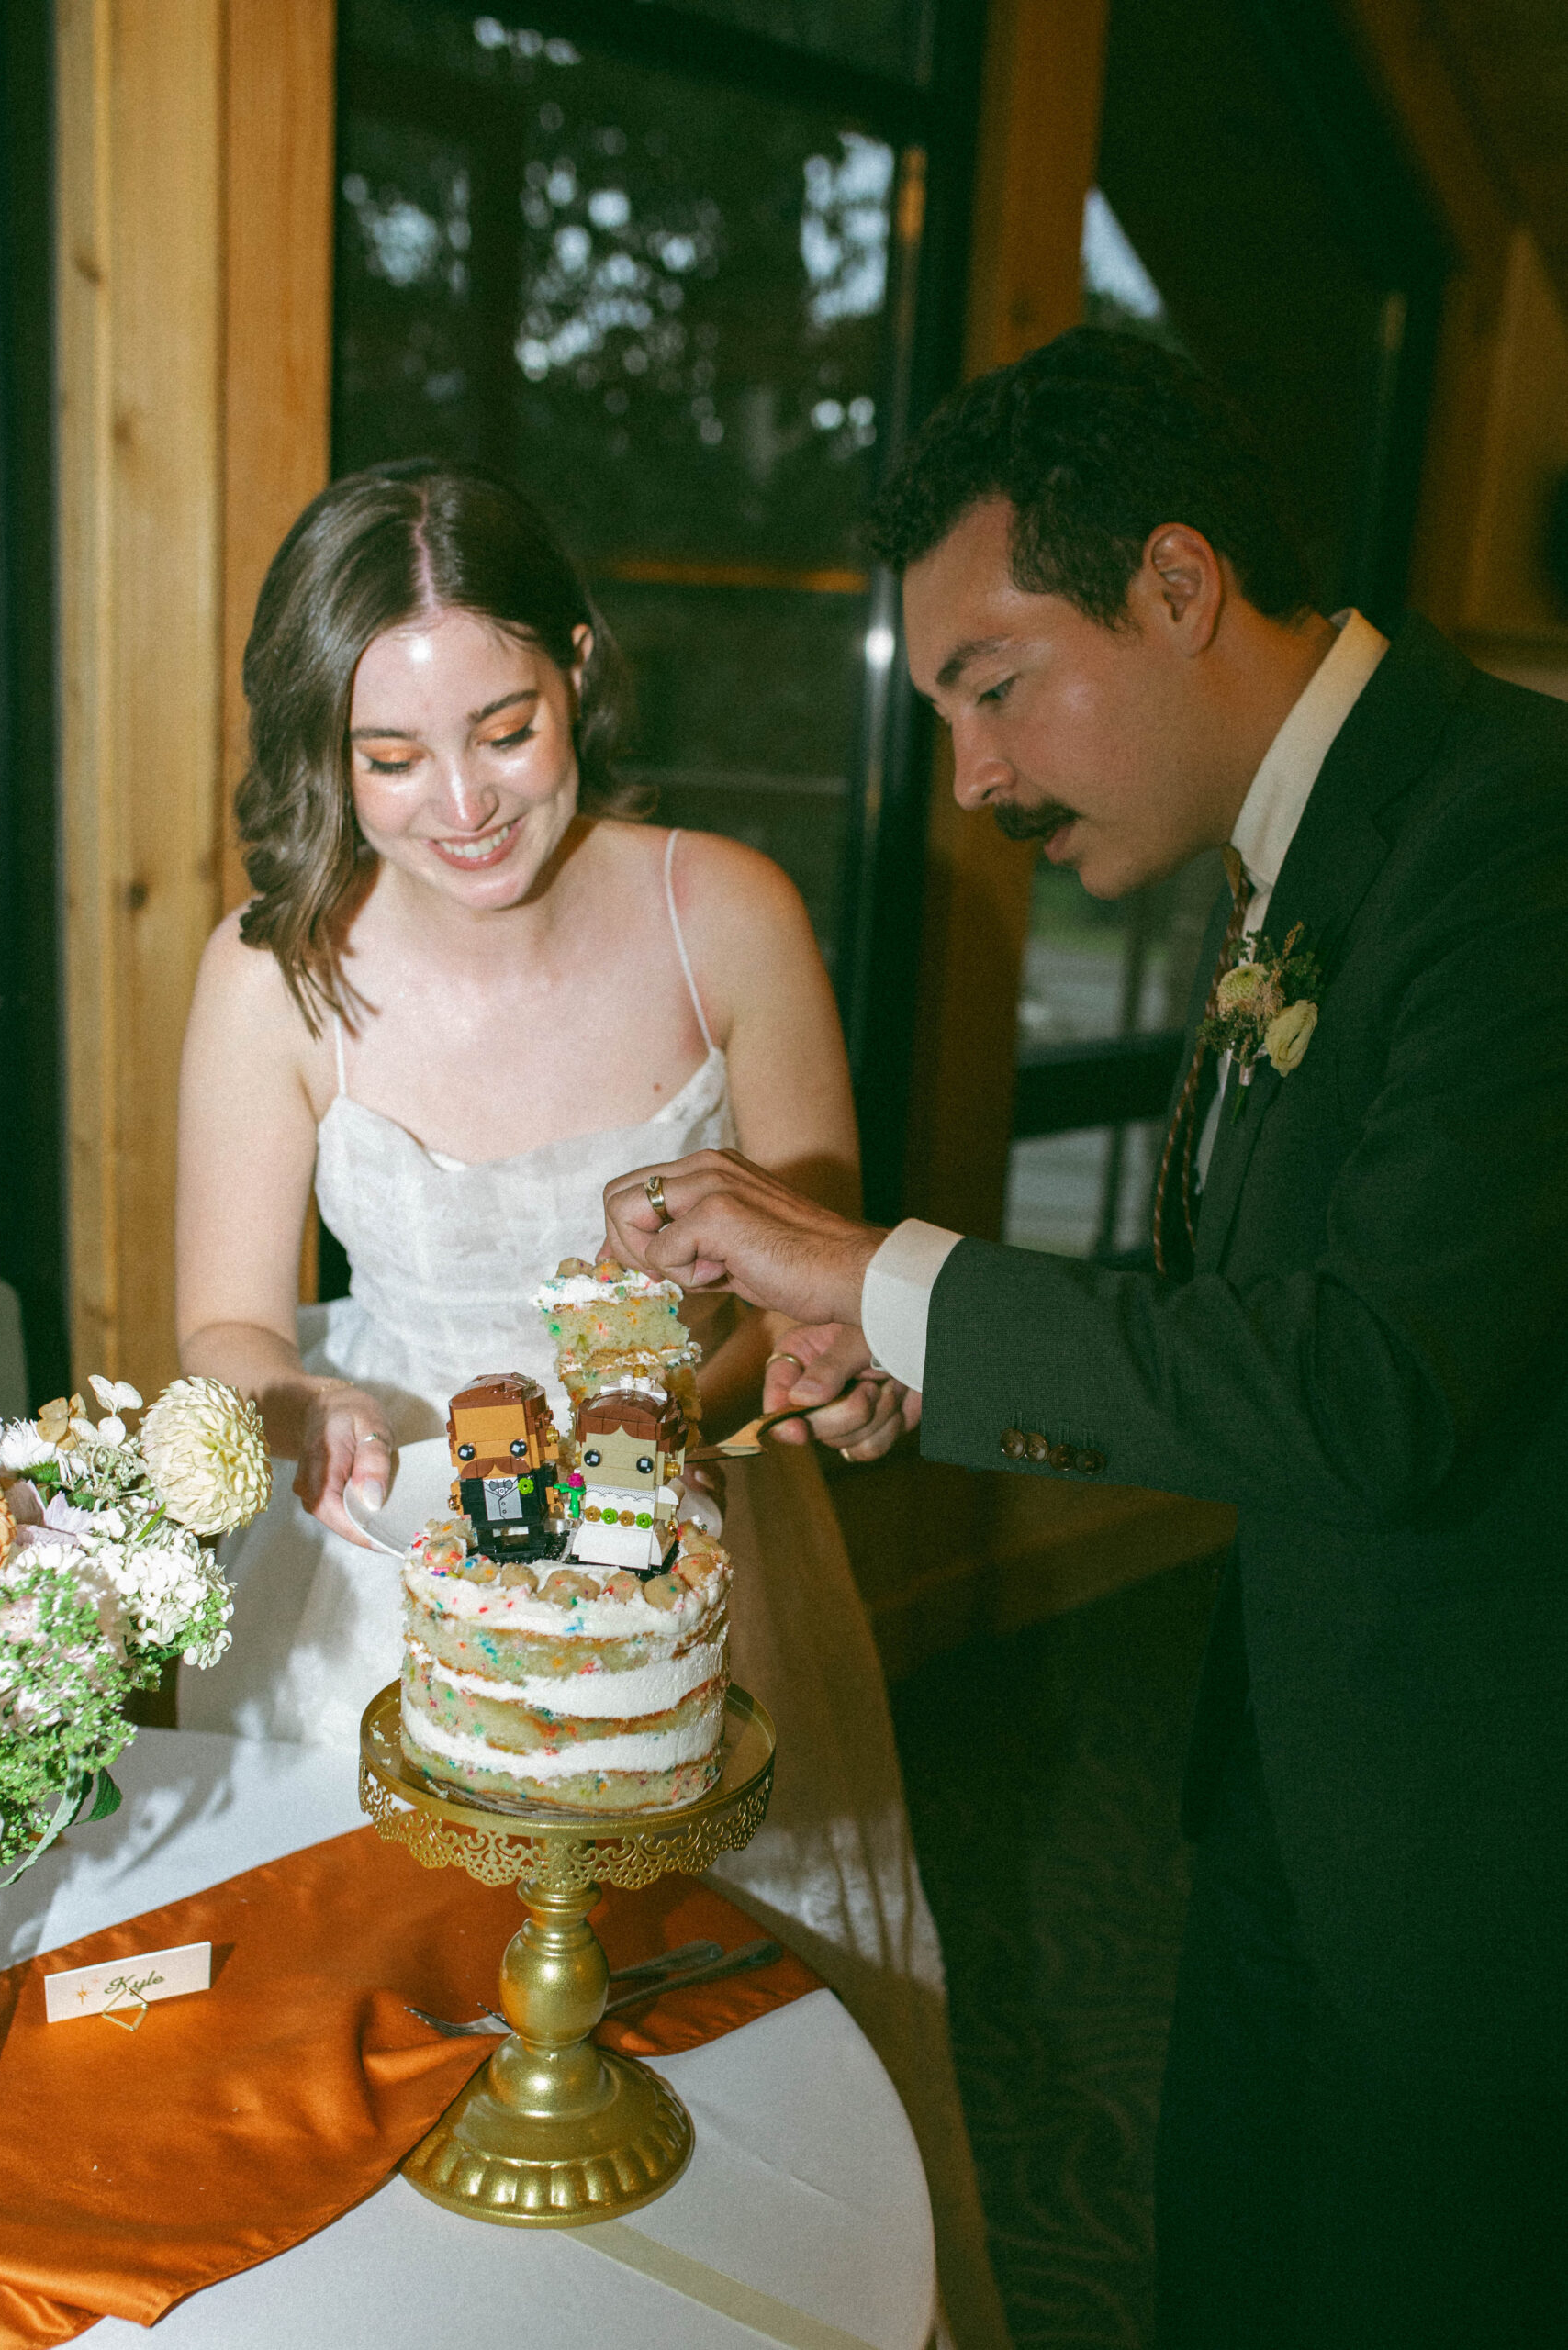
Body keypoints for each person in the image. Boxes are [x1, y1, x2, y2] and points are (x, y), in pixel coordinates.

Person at [602, 330, 1568, 2349]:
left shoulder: (1520, 835)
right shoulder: (1294, 851)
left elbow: (1373, 1385)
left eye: (992, 683)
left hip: (1483, 1861)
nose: (968, 774)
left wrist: (874, 1265)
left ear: (1178, 586)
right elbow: (1241, 1331)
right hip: (1282, 1785)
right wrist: (926, 1362)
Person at [174, 461, 1009, 2350]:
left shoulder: (730, 909)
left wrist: (685, 1407)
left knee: (735, 2116)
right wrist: (305, 1397)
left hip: (678, 1581)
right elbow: (224, 1321)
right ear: (327, 751)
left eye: (504, 727)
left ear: (578, 671)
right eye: (391, 756)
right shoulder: (270, 969)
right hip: (382, 1592)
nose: (460, 805)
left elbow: (810, 1297)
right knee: (351, 2158)